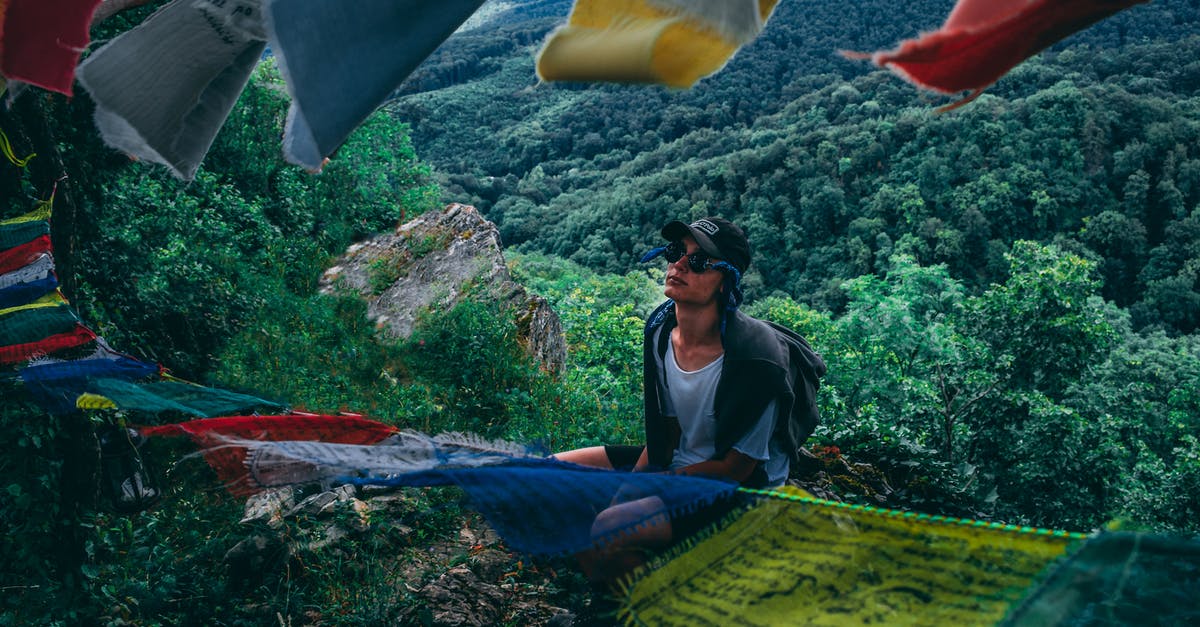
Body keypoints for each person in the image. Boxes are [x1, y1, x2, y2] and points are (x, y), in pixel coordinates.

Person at [555, 216, 826, 583]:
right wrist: (626, 493)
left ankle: (658, 601)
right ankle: (639, 572)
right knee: (550, 474)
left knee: (606, 529)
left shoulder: (757, 361)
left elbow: (735, 469)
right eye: (676, 252)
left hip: (737, 490)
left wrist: (640, 493)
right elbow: (666, 433)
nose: (679, 264)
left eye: (698, 261)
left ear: (724, 280)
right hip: (681, 459)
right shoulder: (661, 331)